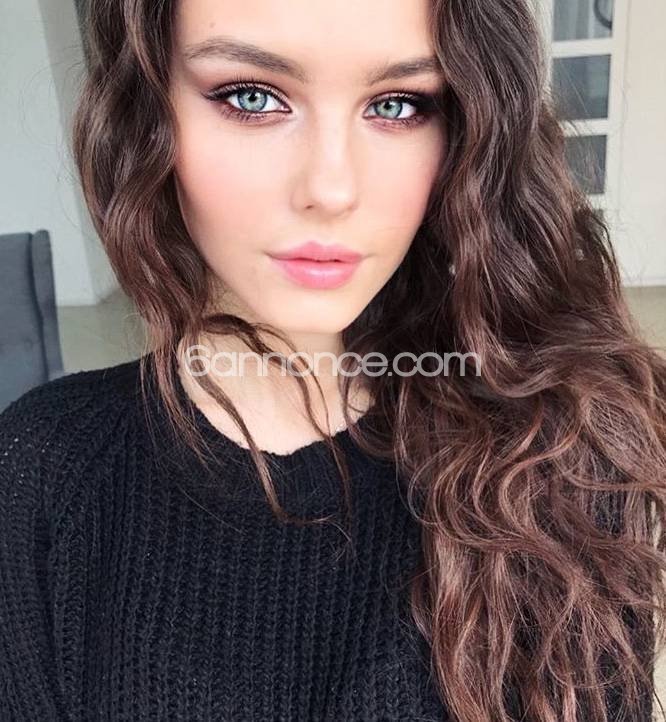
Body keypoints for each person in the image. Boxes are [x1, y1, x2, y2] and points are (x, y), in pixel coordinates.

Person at [1, 0, 664, 720]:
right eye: (252, 97)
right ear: (147, 111)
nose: (332, 189)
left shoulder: (563, 457)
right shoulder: (43, 468)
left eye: (398, 105)